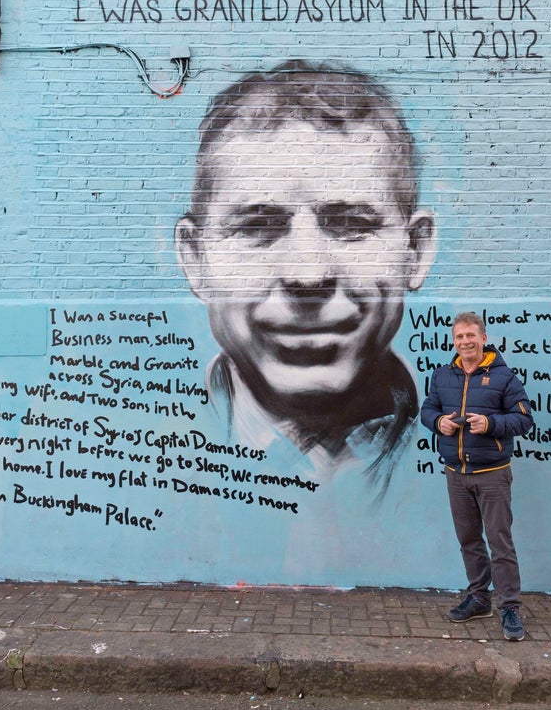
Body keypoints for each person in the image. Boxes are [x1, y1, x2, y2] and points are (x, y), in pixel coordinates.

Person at [176, 59, 436, 496]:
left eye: (353, 225)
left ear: (415, 252)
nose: (307, 273)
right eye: (257, 227)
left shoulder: (468, 441)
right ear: (196, 259)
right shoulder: (140, 450)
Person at [420, 311, 533, 641]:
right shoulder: (443, 376)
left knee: (500, 542)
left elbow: (524, 419)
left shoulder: (504, 378)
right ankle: (479, 598)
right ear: (453, 341)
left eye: (471, 335)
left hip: (493, 474)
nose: (465, 341)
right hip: (455, 473)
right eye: (459, 337)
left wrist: (492, 425)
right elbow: (428, 409)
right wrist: (438, 422)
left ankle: (509, 607)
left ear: (483, 338)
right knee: (469, 540)